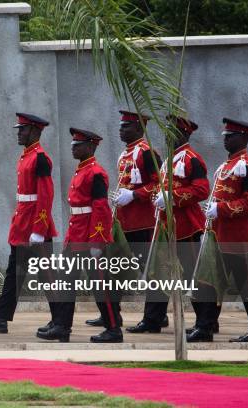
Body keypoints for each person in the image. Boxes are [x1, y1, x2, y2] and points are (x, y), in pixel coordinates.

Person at [0, 113, 59, 335]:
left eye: (22, 130)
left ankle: (60, 320)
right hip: (23, 223)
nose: (18, 133)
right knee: (14, 273)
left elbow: (45, 195)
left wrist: (39, 230)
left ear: (34, 131)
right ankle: (1, 317)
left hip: (35, 225)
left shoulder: (40, 158)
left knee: (47, 275)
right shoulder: (27, 156)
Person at [129, 115, 210, 335]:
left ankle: (205, 324)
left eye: (172, 132)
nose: (167, 136)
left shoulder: (192, 159)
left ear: (183, 134)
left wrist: (172, 197)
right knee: (159, 275)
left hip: (186, 228)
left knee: (191, 277)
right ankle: (152, 320)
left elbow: (202, 190)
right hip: (165, 227)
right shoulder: (169, 160)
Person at [191, 118, 248, 342]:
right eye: (225, 136)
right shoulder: (227, 165)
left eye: (230, 136)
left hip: (240, 238)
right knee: (211, 283)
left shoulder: (247, 166)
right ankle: (204, 328)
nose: (226, 139)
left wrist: (221, 209)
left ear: (243, 138)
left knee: (247, 286)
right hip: (220, 235)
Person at [87, 111, 164, 330]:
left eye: (126, 126)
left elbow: (159, 183)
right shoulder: (125, 154)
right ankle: (111, 314)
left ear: (139, 129)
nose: (121, 130)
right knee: (116, 269)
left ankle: (154, 318)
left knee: (150, 271)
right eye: (121, 126)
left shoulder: (147, 153)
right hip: (123, 222)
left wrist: (135, 195)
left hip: (143, 222)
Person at [45, 127, 121, 343]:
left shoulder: (96, 173)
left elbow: (100, 209)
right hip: (76, 235)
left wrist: (97, 241)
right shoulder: (82, 170)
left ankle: (113, 329)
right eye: (72, 144)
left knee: (99, 286)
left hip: (88, 238)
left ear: (90, 146)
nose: (73, 148)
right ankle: (62, 326)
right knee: (66, 282)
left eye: (77, 145)